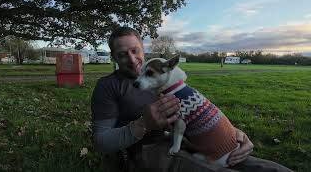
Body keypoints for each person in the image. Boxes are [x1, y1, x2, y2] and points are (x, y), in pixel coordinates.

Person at [91, 27, 293, 172]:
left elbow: (198, 112)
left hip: (193, 142)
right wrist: (142, 125)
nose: (132, 58)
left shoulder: (166, 82)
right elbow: (101, 142)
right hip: (148, 151)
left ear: (142, 48)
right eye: (122, 54)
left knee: (268, 168)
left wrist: (236, 133)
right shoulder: (107, 86)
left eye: (134, 50)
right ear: (114, 58)